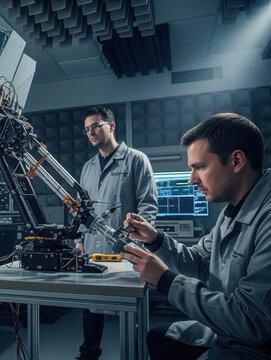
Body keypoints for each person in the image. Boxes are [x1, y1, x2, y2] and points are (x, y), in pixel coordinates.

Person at [121, 113, 271, 359]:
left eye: (200, 167)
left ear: (236, 161)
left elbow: (251, 321)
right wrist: (156, 239)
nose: (192, 180)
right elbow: (202, 262)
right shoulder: (233, 210)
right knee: (160, 337)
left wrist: (165, 280)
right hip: (253, 335)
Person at [75, 106, 158, 360]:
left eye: (96, 126)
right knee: (91, 309)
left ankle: (133, 354)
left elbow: (148, 206)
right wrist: (79, 240)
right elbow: (81, 210)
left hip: (126, 251)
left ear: (111, 126)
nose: (91, 132)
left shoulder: (136, 159)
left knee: (129, 310)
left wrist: (137, 243)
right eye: (87, 129)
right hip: (92, 250)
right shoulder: (87, 168)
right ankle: (89, 354)